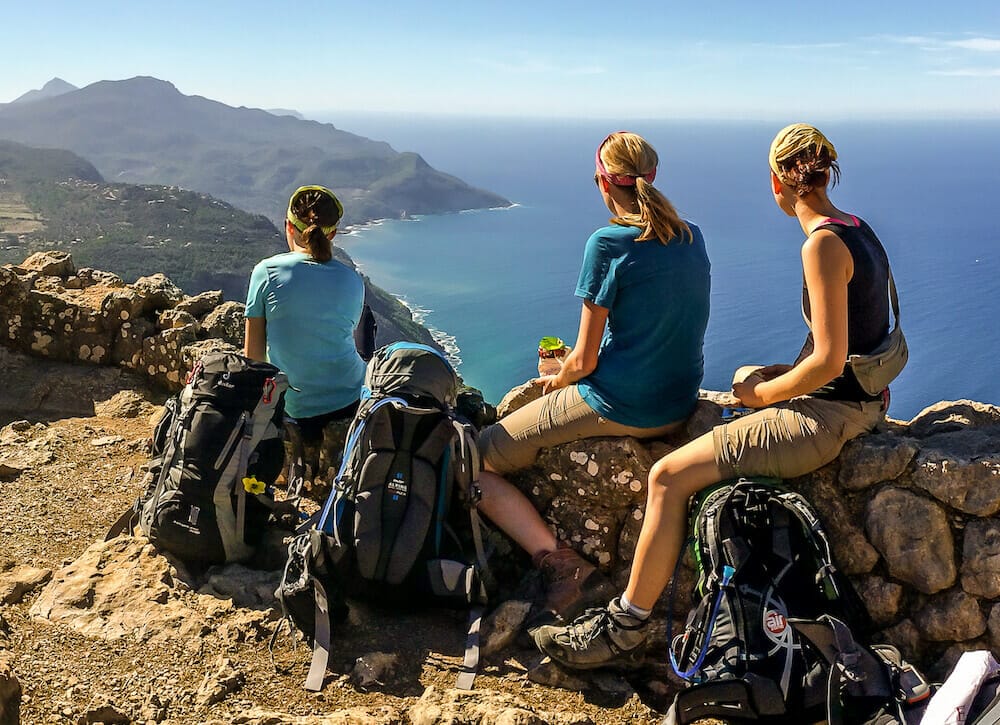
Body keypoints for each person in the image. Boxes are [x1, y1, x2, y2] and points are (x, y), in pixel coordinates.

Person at [532, 123, 895, 668]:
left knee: (667, 477)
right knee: (744, 382)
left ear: (778, 181)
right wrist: (773, 373)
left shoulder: (821, 245)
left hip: (829, 416)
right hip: (862, 400)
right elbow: (854, 336)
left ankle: (624, 628)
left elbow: (827, 362)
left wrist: (764, 395)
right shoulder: (856, 227)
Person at [474, 131, 711, 624]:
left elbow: (581, 363)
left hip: (623, 403)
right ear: (653, 177)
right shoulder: (691, 235)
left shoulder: (607, 242)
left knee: (475, 461)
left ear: (603, 183)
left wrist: (556, 380)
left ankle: (559, 562)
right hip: (680, 399)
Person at [244, 185, 376, 478]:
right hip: (350, 400)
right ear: (332, 234)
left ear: (289, 227)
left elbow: (252, 358)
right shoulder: (352, 279)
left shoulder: (266, 272)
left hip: (293, 407)